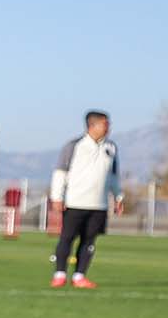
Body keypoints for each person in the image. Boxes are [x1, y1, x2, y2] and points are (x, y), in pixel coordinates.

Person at [49, 108, 125, 288]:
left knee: (89, 241)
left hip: (99, 205)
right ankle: (59, 274)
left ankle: (79, 276)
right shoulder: (74, 146)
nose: (108, 128)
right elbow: (60, 173)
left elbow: (113, 176)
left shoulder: (111, 148)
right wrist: (57, 197)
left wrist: (118, 197)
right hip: (74, 202)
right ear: (93, 125)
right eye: (105, 124)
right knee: (66, 238)